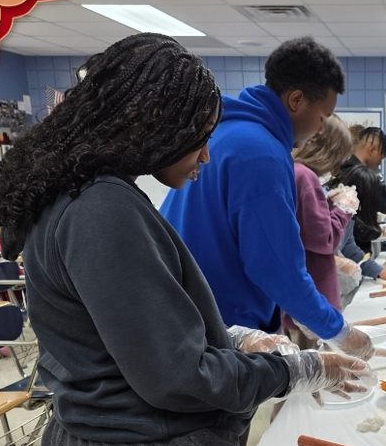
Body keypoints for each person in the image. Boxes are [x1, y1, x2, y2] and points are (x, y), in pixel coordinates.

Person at [0, 33, 370, 446]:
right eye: (197, 139)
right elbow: (179, 377)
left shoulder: (75, 195)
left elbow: (124, 328)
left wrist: (231, 337)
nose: (207, 154)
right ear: (153, 124)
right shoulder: (106, 210)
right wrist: (300, 368)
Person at [160, 36, 373, 362]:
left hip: (189, 316)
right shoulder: (261, 153)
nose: (321, 129)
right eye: (323, 117)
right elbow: (276, 267)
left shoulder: (226, 133)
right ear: (297, 100)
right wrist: (340, 332)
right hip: (223, 333)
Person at [282, 115, 357, 348]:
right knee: (313, 371)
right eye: (338, 161)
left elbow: (305, 227)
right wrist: (345, 209)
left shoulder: (290, 170)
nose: (335, 170)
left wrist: (328, 204)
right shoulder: (305, 176)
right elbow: (324, 239)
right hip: (312, 297)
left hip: (297, 297)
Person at [338, 126, 386, 254]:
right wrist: (379, 231)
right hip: (351, 248)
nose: (380, 163)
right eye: (381, 157)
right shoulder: (353, 173)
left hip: (361, 246)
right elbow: (352, 223)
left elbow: (371, 207)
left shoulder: (366, 173)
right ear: (372, 150)